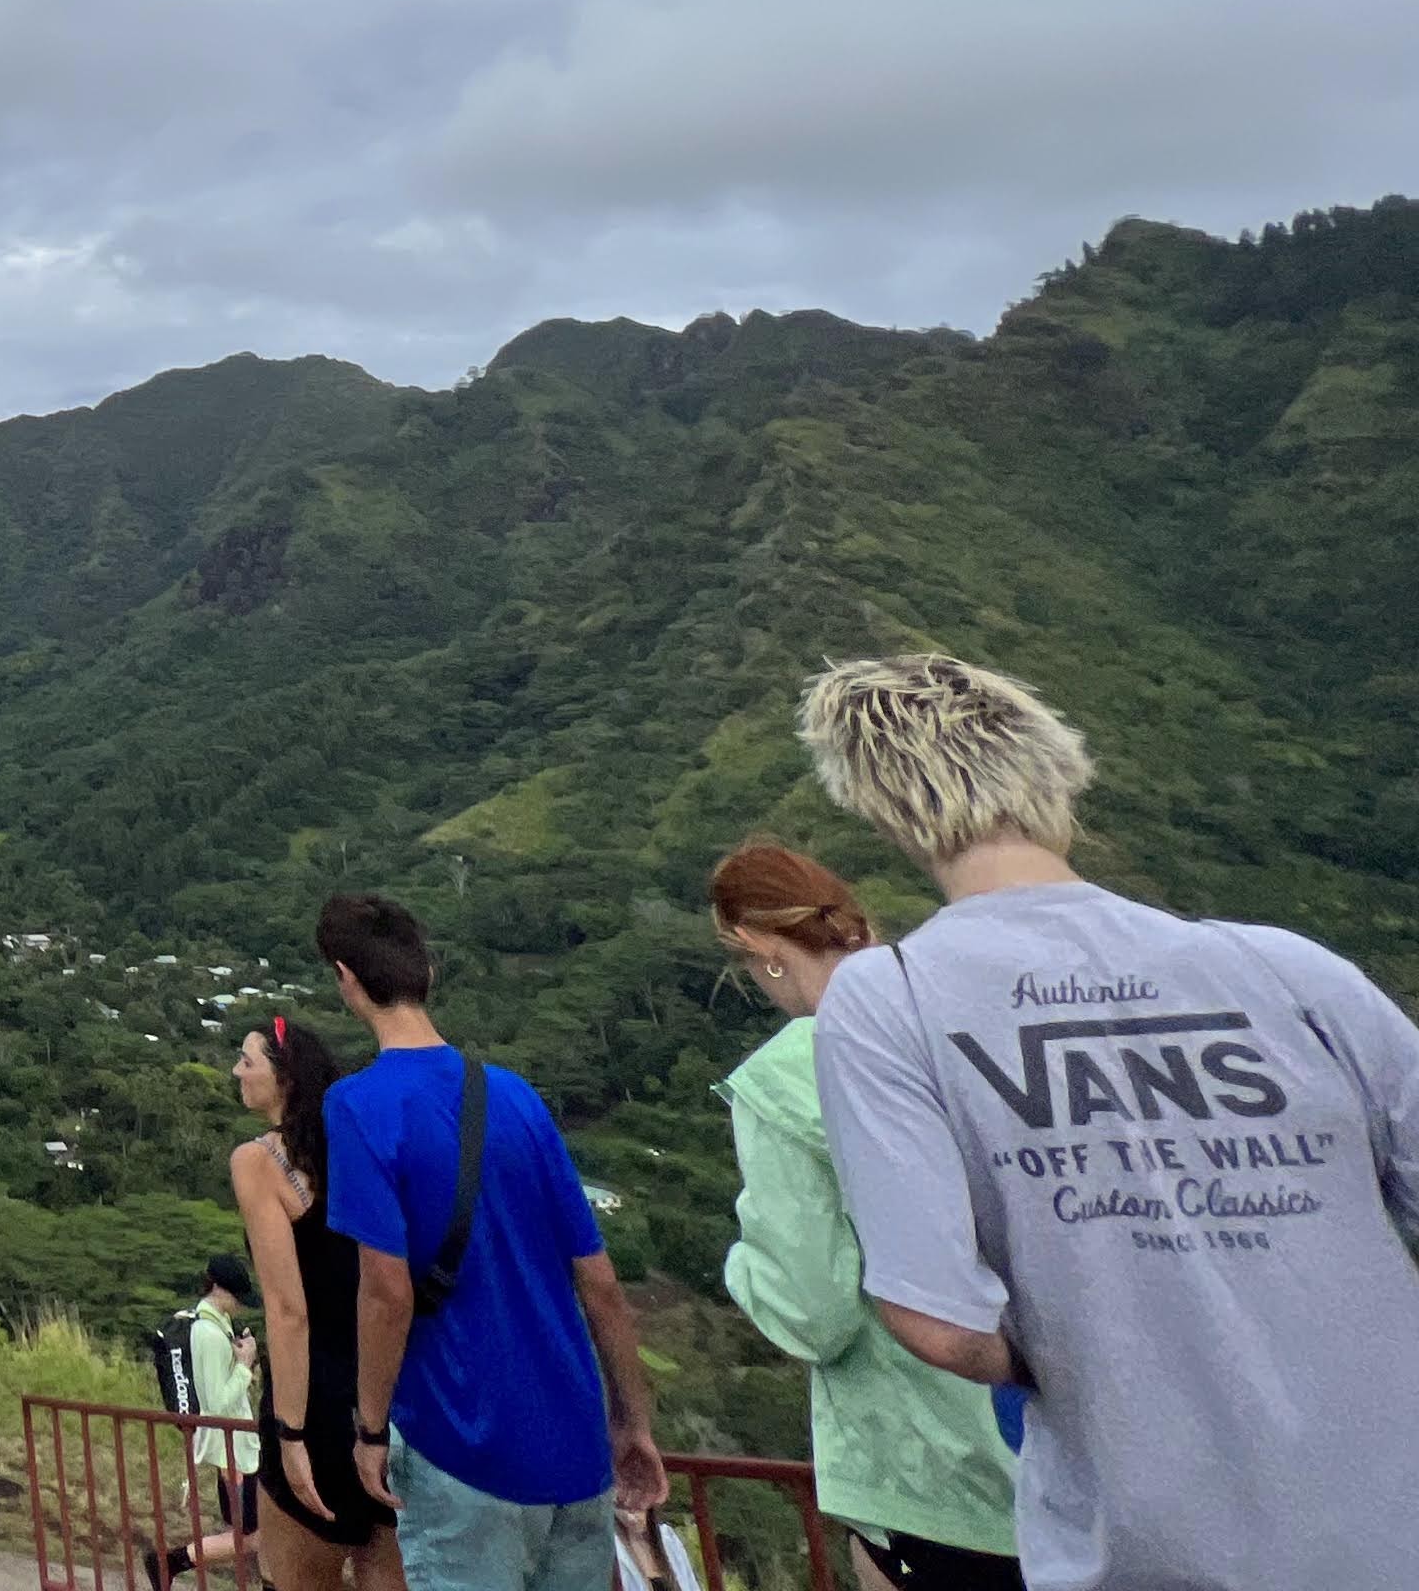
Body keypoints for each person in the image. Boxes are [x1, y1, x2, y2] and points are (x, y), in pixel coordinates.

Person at [797, 654, 1419, 1590]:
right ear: (1059, 771)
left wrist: (1082, 1344)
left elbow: (939, 1323)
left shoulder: (891, 999)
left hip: (1149, 1550)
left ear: (875, 802)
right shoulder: (1288, 968)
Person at [312, 892, 664, 1591]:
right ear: (429, 975)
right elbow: (601, 1284)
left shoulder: (358, 1104)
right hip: (576, 1449)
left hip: (460, 1445)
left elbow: (387, 1293)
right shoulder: (516, 1097)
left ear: (346, 979)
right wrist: (633, 1423)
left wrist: (371, 1429)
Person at [707, 839, 1022, 1591]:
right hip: (1072, 1449)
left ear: (761, 947)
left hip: (933, 1467)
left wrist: (740, 1265)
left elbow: (813, 1311)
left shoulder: (785, 1076)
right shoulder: (975, 1019)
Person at [229, 1012, 403, 1590]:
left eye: (248, 1060)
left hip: (318, 1402)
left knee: (296, 1577)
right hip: (389, 1398)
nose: (237, 1070)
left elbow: (287, 1309)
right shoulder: (357, 1150)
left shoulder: (259, 1162)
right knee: (386, 1566)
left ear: (285, 1079)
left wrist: (290, 1432)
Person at [160, 1250, 266, 1585]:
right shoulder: (206, 1332)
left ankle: (170, 1563)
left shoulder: (215, 1326)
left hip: (238, 1448)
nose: (240, 1305)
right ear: (219, 1289)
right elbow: (217, 1404)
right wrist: (245, 1365)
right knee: (254, 1535)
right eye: (237, 1297)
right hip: (231, 1450)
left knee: (258, 1531)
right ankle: (170, 1562)